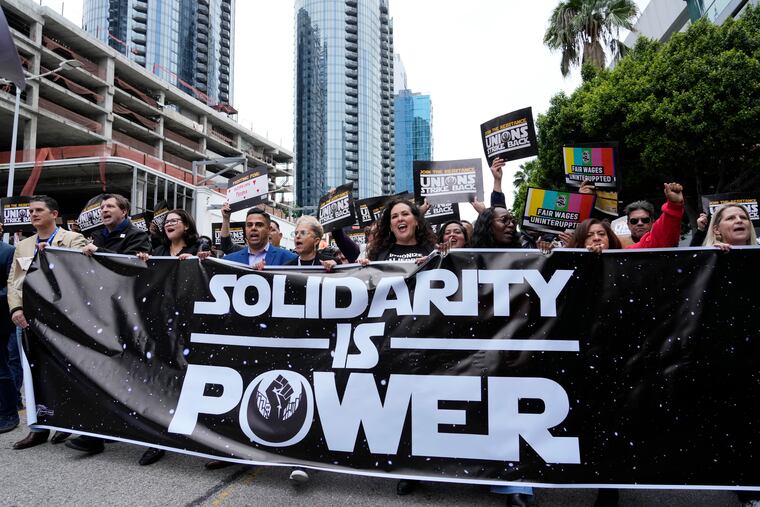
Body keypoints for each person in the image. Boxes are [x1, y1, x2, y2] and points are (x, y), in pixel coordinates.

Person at [68, 194, 151, 455]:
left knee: (125, 373)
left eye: (110, 206)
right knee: (101, 372)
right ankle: (96, 433)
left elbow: (128, 267)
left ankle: (122, 428)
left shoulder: (138, 236)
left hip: (127, 316)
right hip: (101, 314)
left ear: (124, 211)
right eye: (102, 207)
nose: (104, 210)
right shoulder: (98, 236)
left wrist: (99, 252)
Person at [8, 196, 88, 449]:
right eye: (31, 211)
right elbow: (14, 280)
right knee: (34, 372)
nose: (33, 214)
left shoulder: (73, 240)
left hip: (65, 317)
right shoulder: (23, 245)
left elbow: (82, 269)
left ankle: (69, 422)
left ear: (54, 214)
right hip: (31, 318)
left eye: (39, 210)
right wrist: (16, 308)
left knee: (68, 370)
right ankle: (38, 427)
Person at [134, 209, 211, 466]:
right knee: (159, 381)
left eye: (175, 221)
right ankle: (156, 440)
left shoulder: (200, 245)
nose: (170, 225)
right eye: (166, 222)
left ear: (187, 225)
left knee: (189, 379)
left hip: (189, 324)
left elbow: (210, 270)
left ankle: (198, 434)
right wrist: (143, 263)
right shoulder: (156, 252)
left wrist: (200, 260)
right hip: (159, 324)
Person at [364, 198, 436, 263]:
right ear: (391, 227)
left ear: (416, 221)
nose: (400, 219)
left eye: (405, 214)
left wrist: (432, 264)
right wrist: (366, 268)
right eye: (394, 216)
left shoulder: (433, 252)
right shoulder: (378, 254)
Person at [223, 207, 297, 268]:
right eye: (249, 225)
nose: (253, 228)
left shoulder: (289, 259)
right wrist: (226, 218)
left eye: (259, 225)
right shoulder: (229, 261)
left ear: (269, 230)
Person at [0, 223, 17, 435]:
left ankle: (9, 412)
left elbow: (12, 285)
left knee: (2, 367)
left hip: (1, 319)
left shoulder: (8, 251)